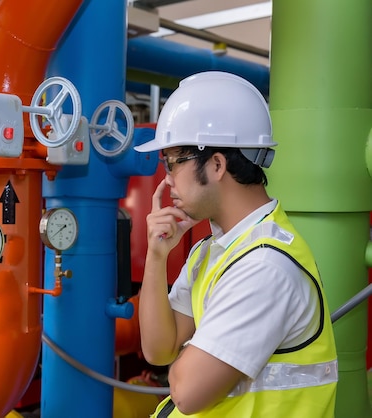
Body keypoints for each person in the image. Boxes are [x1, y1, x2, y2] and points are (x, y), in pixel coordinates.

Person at [134, 71, 338, 417]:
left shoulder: (264, 267)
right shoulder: (212, 250)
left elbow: (187, 392)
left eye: (172, 163)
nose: (166, 180)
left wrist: (191, 355)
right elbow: (159, 350)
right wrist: (156, 256)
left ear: (216, 165)